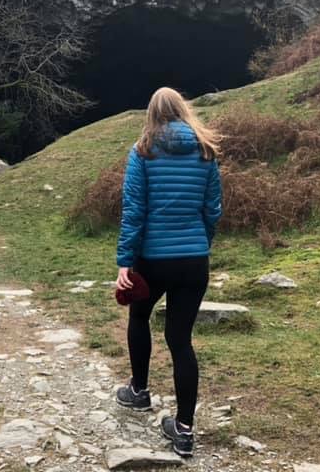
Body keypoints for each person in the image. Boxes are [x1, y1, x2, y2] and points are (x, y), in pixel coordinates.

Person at [114, 87, 222, 458]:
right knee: (180, 340)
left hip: (153, 258)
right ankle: (184, 430)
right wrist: (200, 243)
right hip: (194, 259)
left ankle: (139, 391)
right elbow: (213, 210)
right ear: (182, 110)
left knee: (139, 316)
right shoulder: (206, 151)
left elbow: (134, 211)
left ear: (152, 114)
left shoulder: (142, 151)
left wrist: (125, 261)